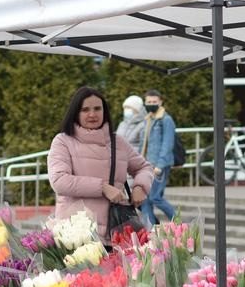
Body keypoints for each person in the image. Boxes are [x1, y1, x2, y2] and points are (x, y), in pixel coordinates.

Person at [48, 86, 154, 239]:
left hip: (116, 231)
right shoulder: (63, 141)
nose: (92, 114)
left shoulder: (117, 142)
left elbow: (144, 167)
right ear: (75, 112)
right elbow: (59, 181)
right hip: (76, 234)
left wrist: (140, 187)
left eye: (97, 108)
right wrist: (103, 188)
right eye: (85, 110)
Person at [139, 89, 177, 225]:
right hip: (146, 165)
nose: (151, 104)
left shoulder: (166, 120)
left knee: (155, 197)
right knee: (145, 199)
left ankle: (178, 222)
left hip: (158, 166)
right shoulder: (148, 119)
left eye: (154, 102)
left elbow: (168, 144)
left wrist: (160, 165)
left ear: (160, 102)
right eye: (148, 102)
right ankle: (150, 228)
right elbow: (143, 144)